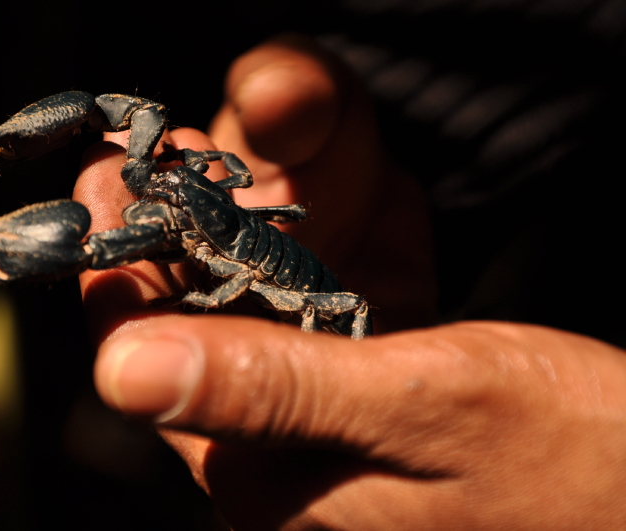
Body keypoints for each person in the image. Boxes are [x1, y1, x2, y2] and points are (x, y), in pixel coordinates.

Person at [72, 34, 626, 530]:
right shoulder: (202, 192)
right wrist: (203, 161)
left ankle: (354, 357)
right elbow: (237, 176)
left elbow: (236, 279)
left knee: (333, 302)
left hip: (293, 278)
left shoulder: (209, 228)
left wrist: (194, 298)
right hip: (279, 231)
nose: (168, 186)